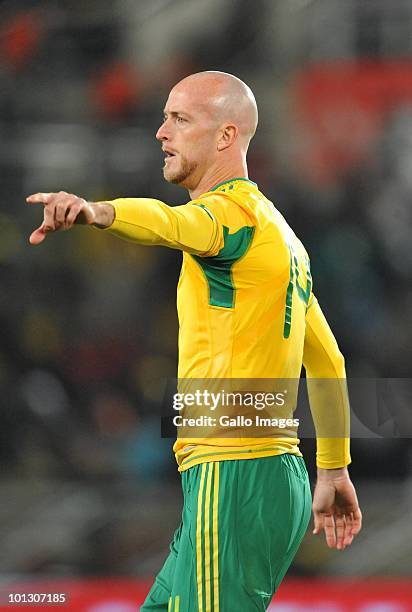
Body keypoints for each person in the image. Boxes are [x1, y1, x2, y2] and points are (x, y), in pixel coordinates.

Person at [27, 71, 362, 611]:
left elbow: (169, 223)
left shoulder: (227, 216)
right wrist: (335, 468)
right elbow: (327, 361)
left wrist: (97, 212)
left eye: (179, 119)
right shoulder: (284, 239)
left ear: (226, 137)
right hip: (274, 475)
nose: (161, 132)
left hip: (232, 474)